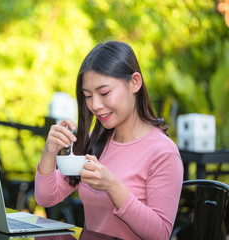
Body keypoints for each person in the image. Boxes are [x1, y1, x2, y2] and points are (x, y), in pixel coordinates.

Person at [35, 41, 183, 240]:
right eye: (88, 96)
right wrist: (49, 152)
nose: (95, 105)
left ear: (135, 83)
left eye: (104, 93)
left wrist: (112, 186)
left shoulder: (163, 152)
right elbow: (46, 198)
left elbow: (160, 234)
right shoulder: (95, 142)